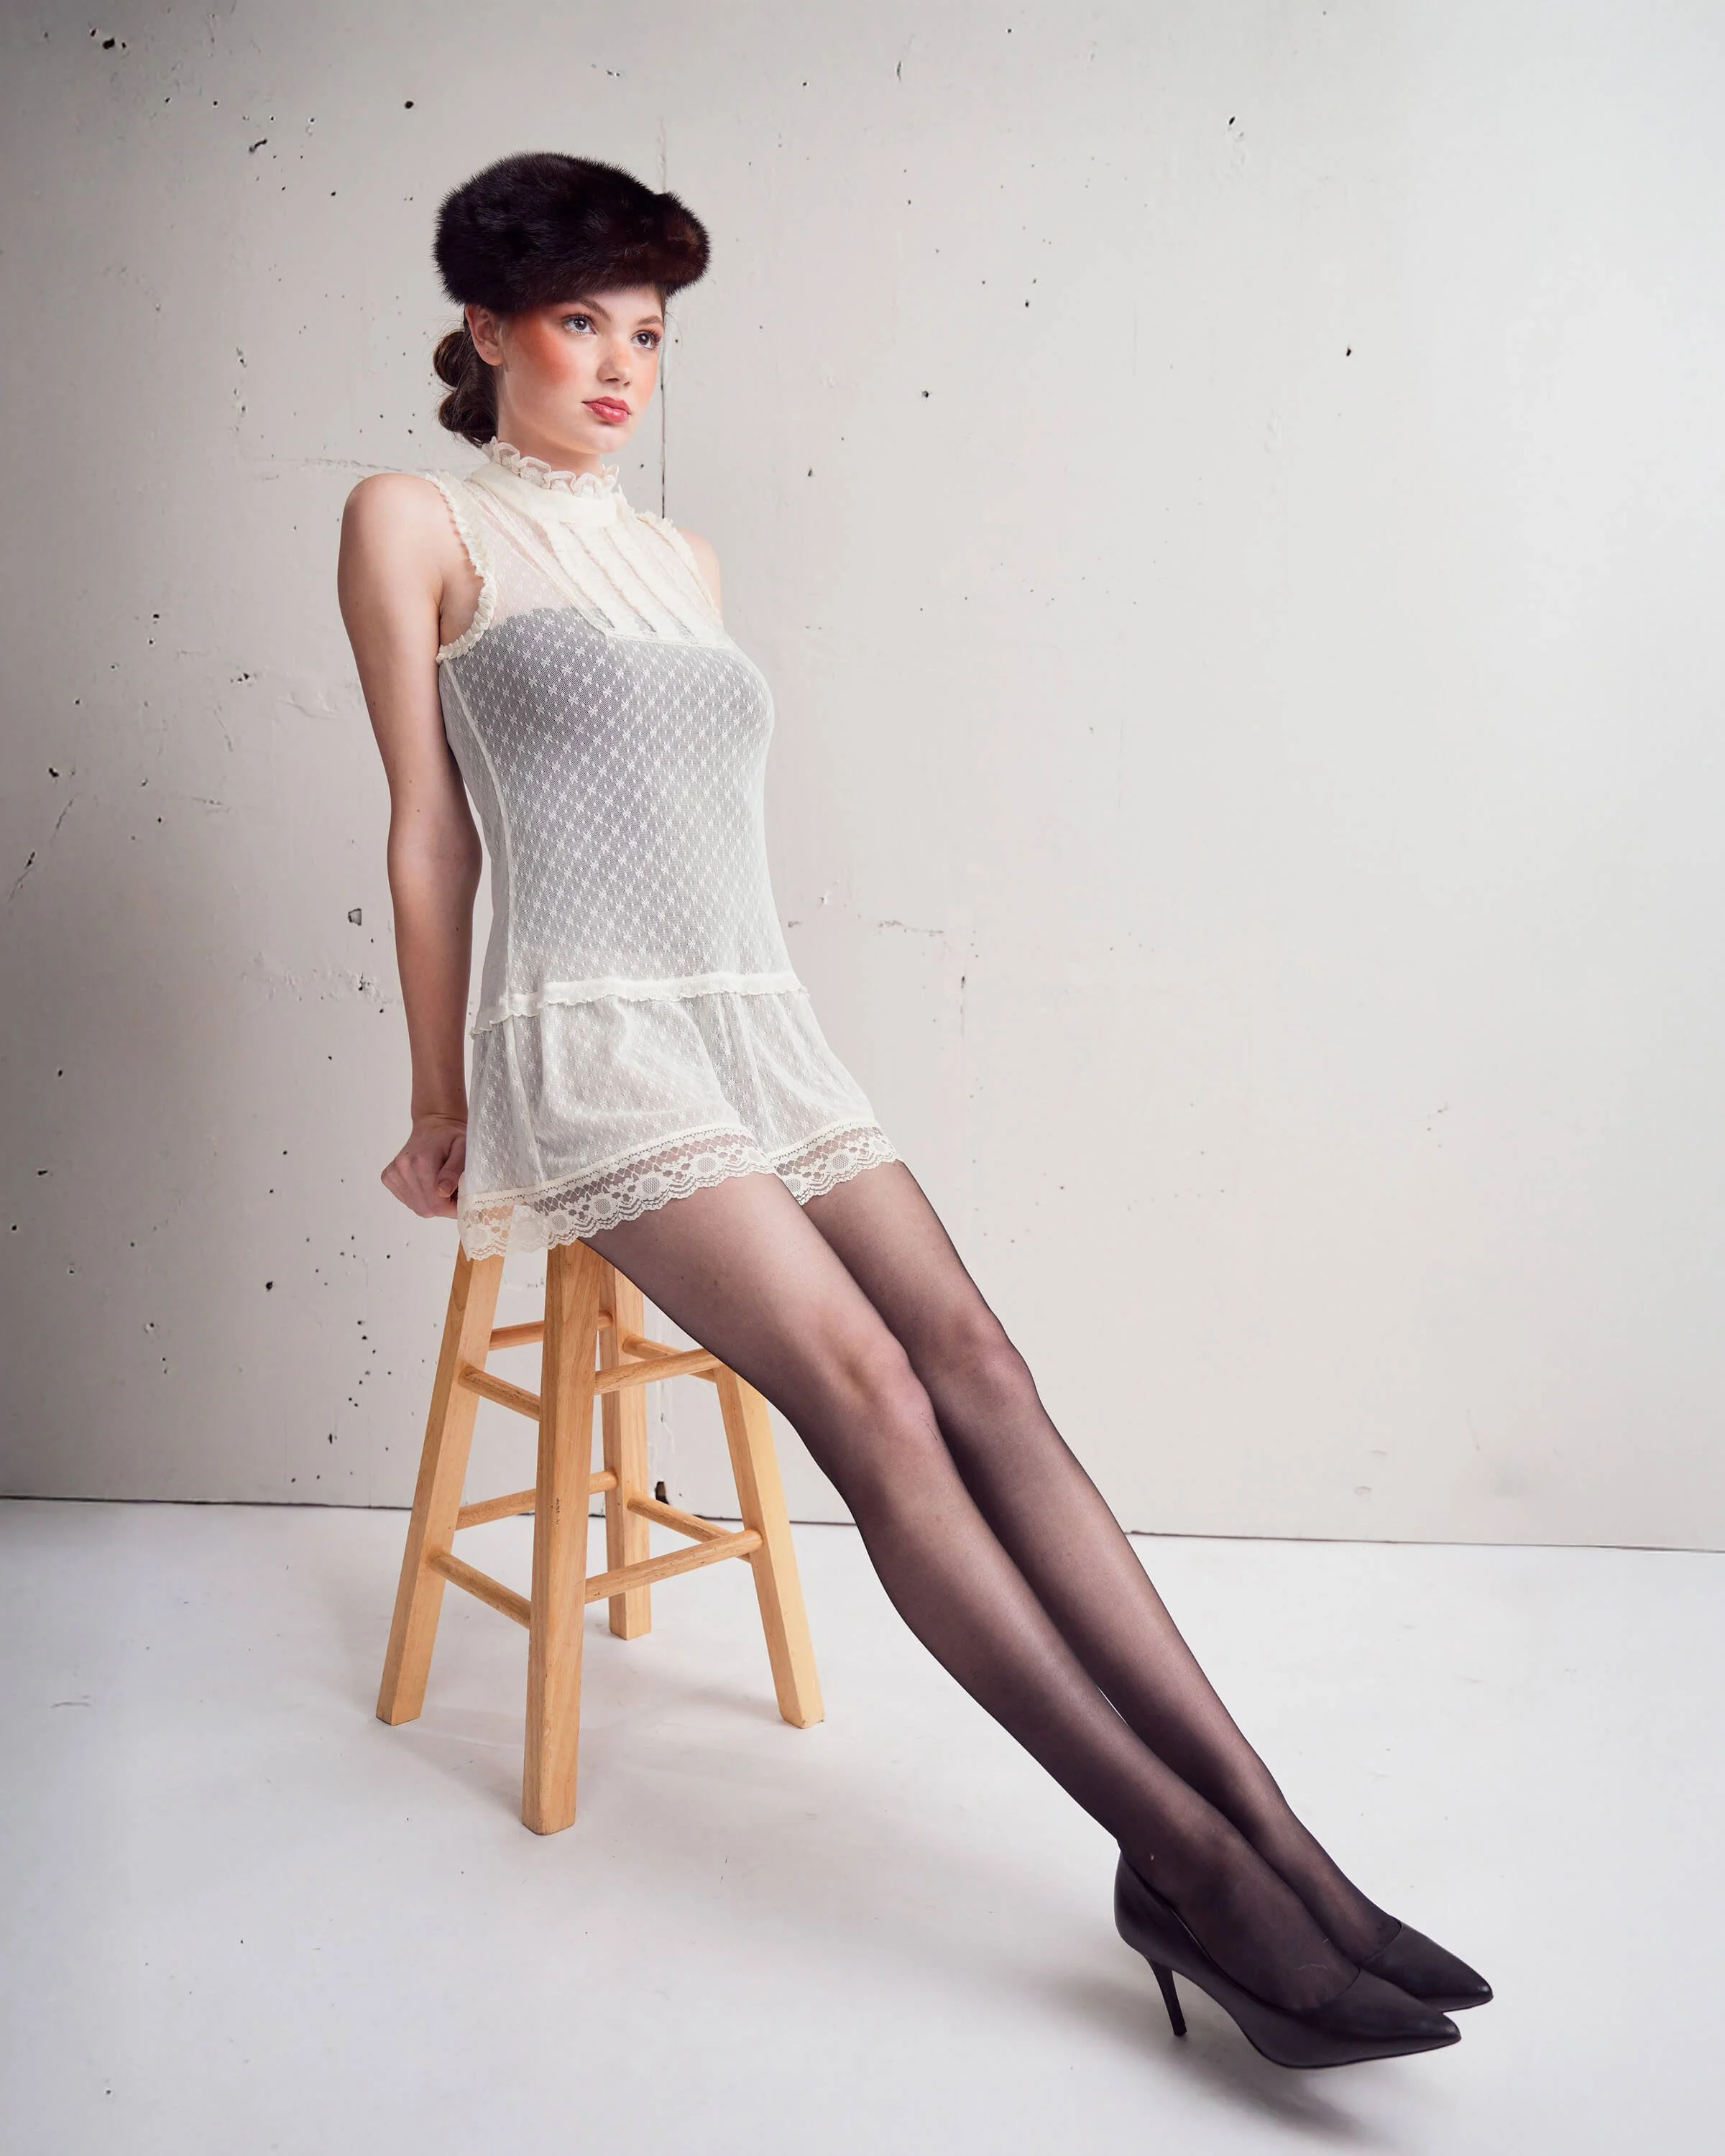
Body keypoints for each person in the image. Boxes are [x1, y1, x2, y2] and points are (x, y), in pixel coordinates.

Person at [336, 152, 1489, 2069]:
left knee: (983, 1368)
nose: (621, 367)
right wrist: (440, 1093)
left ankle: (1281, 1845)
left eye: (649, 334)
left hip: (755, 1028)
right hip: (591, 1040)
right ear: (486, 327)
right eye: (581, 322)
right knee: (870, 1392)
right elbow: (426, 828)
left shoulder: (685, 561)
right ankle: (1194, 1864)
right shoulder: (415, 518)